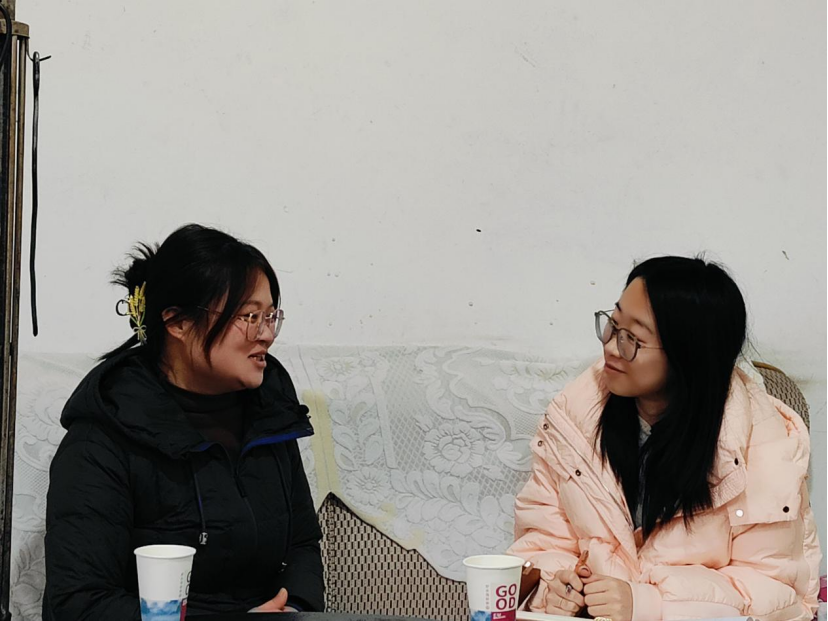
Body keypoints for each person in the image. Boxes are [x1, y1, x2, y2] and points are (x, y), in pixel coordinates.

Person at [508, 256, 821, 621]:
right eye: (613, 324)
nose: (611, 347)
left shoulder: (762, 446)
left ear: (688, 355)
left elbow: (777, 594)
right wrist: (553, 589)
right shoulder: (573, 419)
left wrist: (650, 606)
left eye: (633, 339)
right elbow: (541, 543)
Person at [43, 224, 323, 619]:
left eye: (271, 316)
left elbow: (302, 545)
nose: (267, 335)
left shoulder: (270, 417)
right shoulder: (102, 439)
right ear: (178, 323)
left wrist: (293, 608)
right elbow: (79, 602)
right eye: (250, 316)